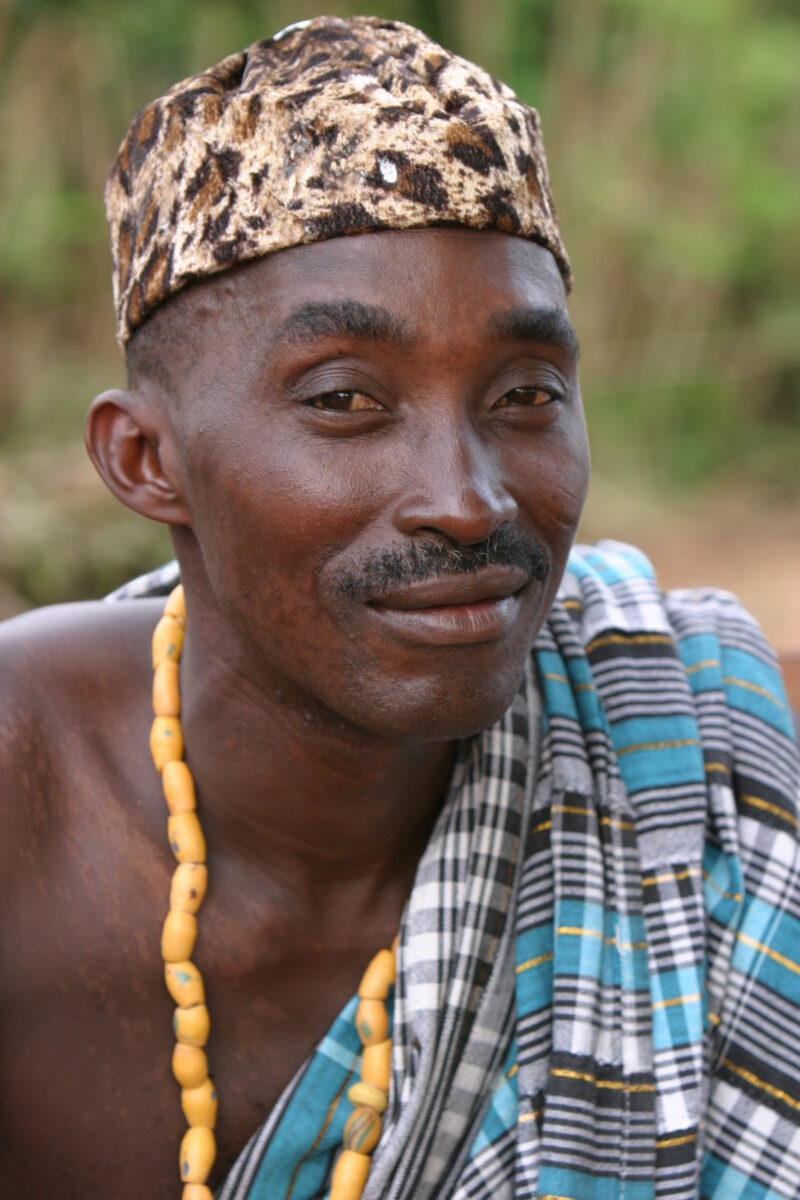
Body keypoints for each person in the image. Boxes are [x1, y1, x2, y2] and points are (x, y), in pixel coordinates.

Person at [1, 16, 798, 1200]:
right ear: (144, 461)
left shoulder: (713, 761)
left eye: (525, 393)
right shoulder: (23, 804)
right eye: (345, 402)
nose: (469, 502)